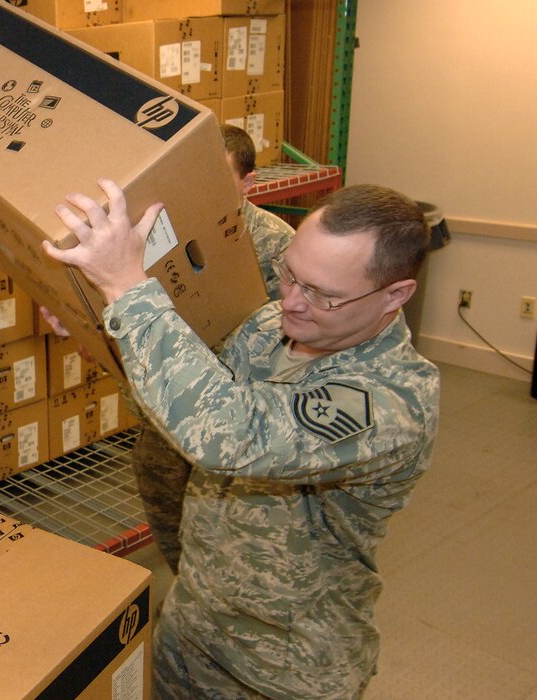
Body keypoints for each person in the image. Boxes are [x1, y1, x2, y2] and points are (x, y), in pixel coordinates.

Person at [43, 180, 440, 698]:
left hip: (283, 668)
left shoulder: (391, 400)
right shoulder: (268, 328)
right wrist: (99, 331)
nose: (292, 303)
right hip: (192, 626)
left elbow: (229, 434)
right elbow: (179, 414)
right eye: (290, 275)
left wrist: (127, 290)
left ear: (396, 294)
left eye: (324, 294)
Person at [131, 125, 295, 575]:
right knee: (164, 509)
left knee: (226, 535)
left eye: (219, 179)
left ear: (248, 183)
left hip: (235, 416)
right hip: (168, 411)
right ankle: (187, 586)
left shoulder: (279, 246)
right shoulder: (160, 240)